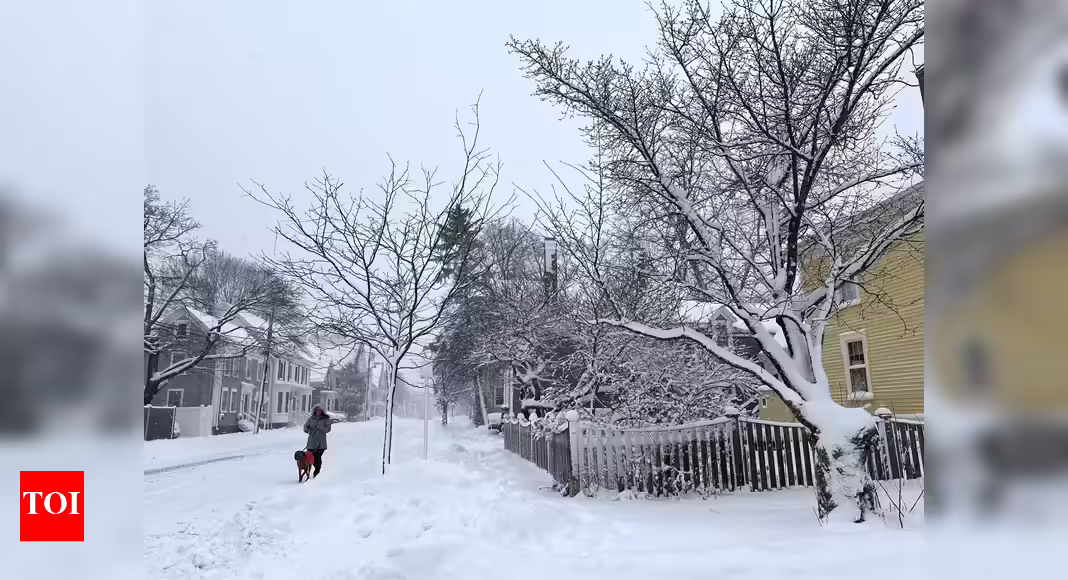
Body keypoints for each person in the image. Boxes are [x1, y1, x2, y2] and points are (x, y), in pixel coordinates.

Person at [303, 405, 332, 478]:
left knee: (317, 459)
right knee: (309, 459)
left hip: (321, 443)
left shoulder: (326, 419)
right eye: (317, 410)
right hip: (311, 442)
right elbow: (305, 426)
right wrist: (307, 430)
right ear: (315, 411)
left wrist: (320, 427)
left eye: (319, 410)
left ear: (322, 412)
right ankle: (308, 473)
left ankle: (316, 473)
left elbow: (328, 429)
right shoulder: (311, 418)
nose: (318, 412)